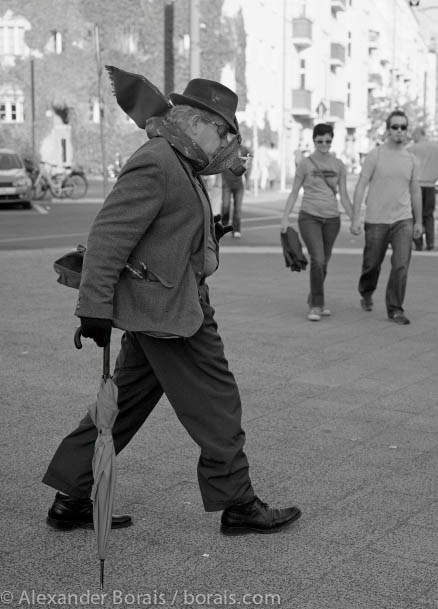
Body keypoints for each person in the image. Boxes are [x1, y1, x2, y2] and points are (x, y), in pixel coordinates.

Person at [42, 78, 301, 536]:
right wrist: (94, 307)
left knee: (120, 406)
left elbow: (162, 229)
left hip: (164, 305)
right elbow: (109, 236)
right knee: (218, 404)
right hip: (172, 314)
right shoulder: (158, 161)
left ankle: (71, 495)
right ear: (199, 122)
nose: (225, 143)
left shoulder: (180, 161)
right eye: (223, 133)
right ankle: (238, 504)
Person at [351, 109, 422, 325]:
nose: (399, 131)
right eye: (395, 127)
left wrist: (419, 221)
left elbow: (416, 190)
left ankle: (395, 309)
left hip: (403, 219)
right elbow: (362, 184)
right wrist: (356, 217)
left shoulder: (411, 159)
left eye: (403, 127)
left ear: (406, 131)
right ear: (388, 130)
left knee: (401, 265)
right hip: (376, 220)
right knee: (372, 264)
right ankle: (366, 291)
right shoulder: (376, 155)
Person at [281, 123, 357, 321]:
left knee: (323, 263)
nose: (324, 144)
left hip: (332, 219)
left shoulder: (339, 164)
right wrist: (285, 218)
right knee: (319, 259)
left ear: (332, 141)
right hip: (310, 217)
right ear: (314, 141)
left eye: (328, 141)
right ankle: (316, 305)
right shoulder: (305, 164)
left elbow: (345, 196)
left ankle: (314, 296)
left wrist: (354, 219)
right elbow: (294, 192)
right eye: (320, 141)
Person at [407, 127, 438, 251]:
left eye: (413, 134)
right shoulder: (436, 148)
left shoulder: (413, 148)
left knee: (416, 215)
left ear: (418, 134)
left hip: (417, 185)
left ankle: (418, 242)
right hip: (431, 185)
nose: (412, 136)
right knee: (429, 215)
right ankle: (430, 242)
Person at [221, 162, 245, 238]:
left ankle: (236, 230)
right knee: (225, 205)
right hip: (226, 184)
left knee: (237, 209)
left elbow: (248, 163)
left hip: (239, 185)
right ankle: (225, 221)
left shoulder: (242, 150)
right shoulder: (222, 150)